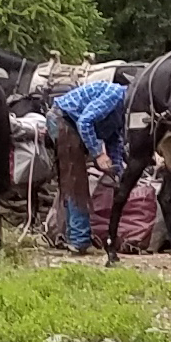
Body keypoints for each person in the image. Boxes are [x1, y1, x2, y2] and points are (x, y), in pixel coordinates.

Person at [47, 67, 130, 250]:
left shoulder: (123, 111)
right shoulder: (114, 96)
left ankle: (70, 235)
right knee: (75, 180)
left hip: (73, 123)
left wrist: (119, 172)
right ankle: (78, 240)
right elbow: (85, 122)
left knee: (71, 181)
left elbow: (114, 139)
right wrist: (98, 154)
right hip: (63, 120)